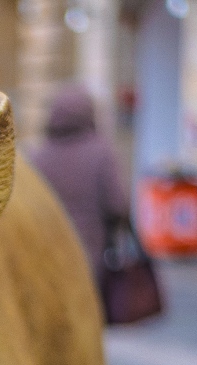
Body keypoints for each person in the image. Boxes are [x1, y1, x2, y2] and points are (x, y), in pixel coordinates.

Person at [30, 84, 131, 274]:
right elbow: (117, 205)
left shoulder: (38, 157)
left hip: (44, 254)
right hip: (89, 253)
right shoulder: (101, 153)